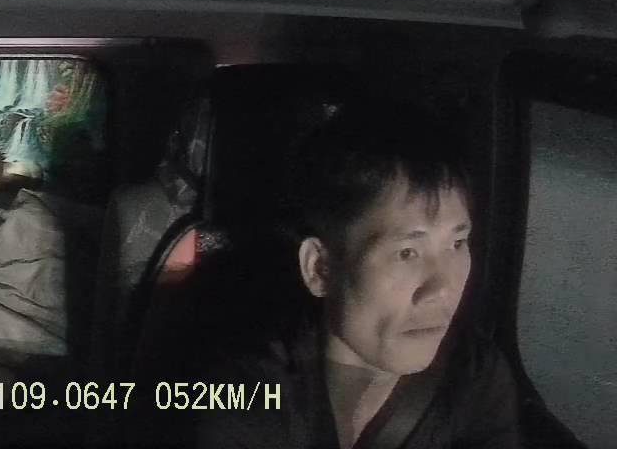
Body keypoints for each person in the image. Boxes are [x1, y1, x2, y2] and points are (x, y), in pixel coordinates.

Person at [187, 100, 521, 448]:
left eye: (457, 243)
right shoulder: (241, 389)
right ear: (320, 268)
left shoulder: (475, 379)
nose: (442, 288)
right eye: (407, 253)